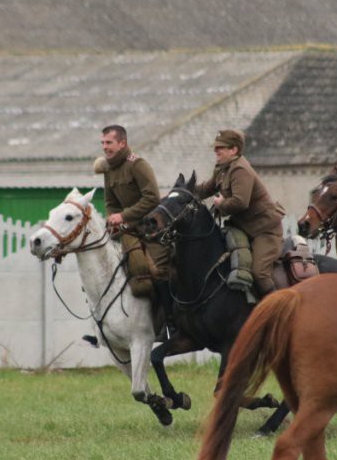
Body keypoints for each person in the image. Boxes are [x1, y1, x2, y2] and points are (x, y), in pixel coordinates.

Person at [93, 125, 173, 331]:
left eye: (109, 142)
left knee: (155, 272)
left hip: (150, 229)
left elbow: (152, 198)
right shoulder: (108, 169)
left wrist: (124, 216)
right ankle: (109, 329)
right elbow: (110, 201)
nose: (105, 147)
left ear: (122, 143)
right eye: (102, 143)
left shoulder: (137, 165)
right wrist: (113, 218)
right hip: (127, 230)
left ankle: (170, 322)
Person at [195, 129, 286, 300]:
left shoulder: (240, 170)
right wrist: (182, 193)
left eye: (220, 148)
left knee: (259, 273)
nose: (216, 151)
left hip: (264, 231)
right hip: (244, 228)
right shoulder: (223, 169)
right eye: (216, 148)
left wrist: (221, 204)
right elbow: (206, 188)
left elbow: (240, 202)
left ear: (234, 150)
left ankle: (276, 307)